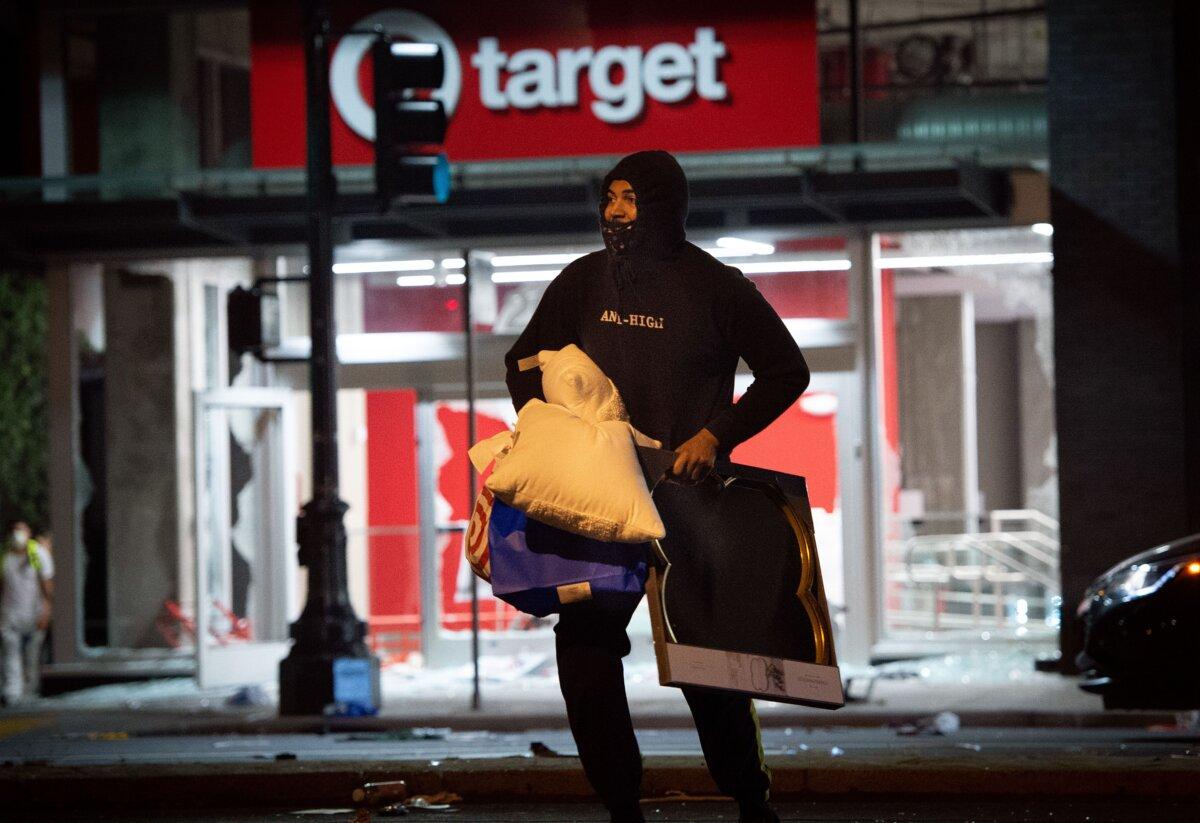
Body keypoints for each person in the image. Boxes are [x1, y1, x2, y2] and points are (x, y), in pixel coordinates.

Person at [504, 150, 810, 823]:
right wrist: (552, 431)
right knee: (584, 648)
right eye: (609, 197)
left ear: (665, 205)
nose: (615, 211)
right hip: (598, 500)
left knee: (711, 662)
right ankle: (621, 803)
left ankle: (750, 797)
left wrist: (716, 435)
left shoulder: (718, 287)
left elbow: (787, 370)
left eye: (630, 198)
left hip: (687, 497)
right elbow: (522, 362)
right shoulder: (582, 282)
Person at [1, 520, 54, 706]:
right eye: (15, 529)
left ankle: (30, 695)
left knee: (32, 658)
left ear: (29, 532)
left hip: (34, 614)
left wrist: (46, 611)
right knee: (11, 655)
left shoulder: (37, 553)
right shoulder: (5, 556)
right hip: (10, 615)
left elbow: (46, 585)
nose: (18, 533)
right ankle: (12, 694)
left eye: (22, 529)